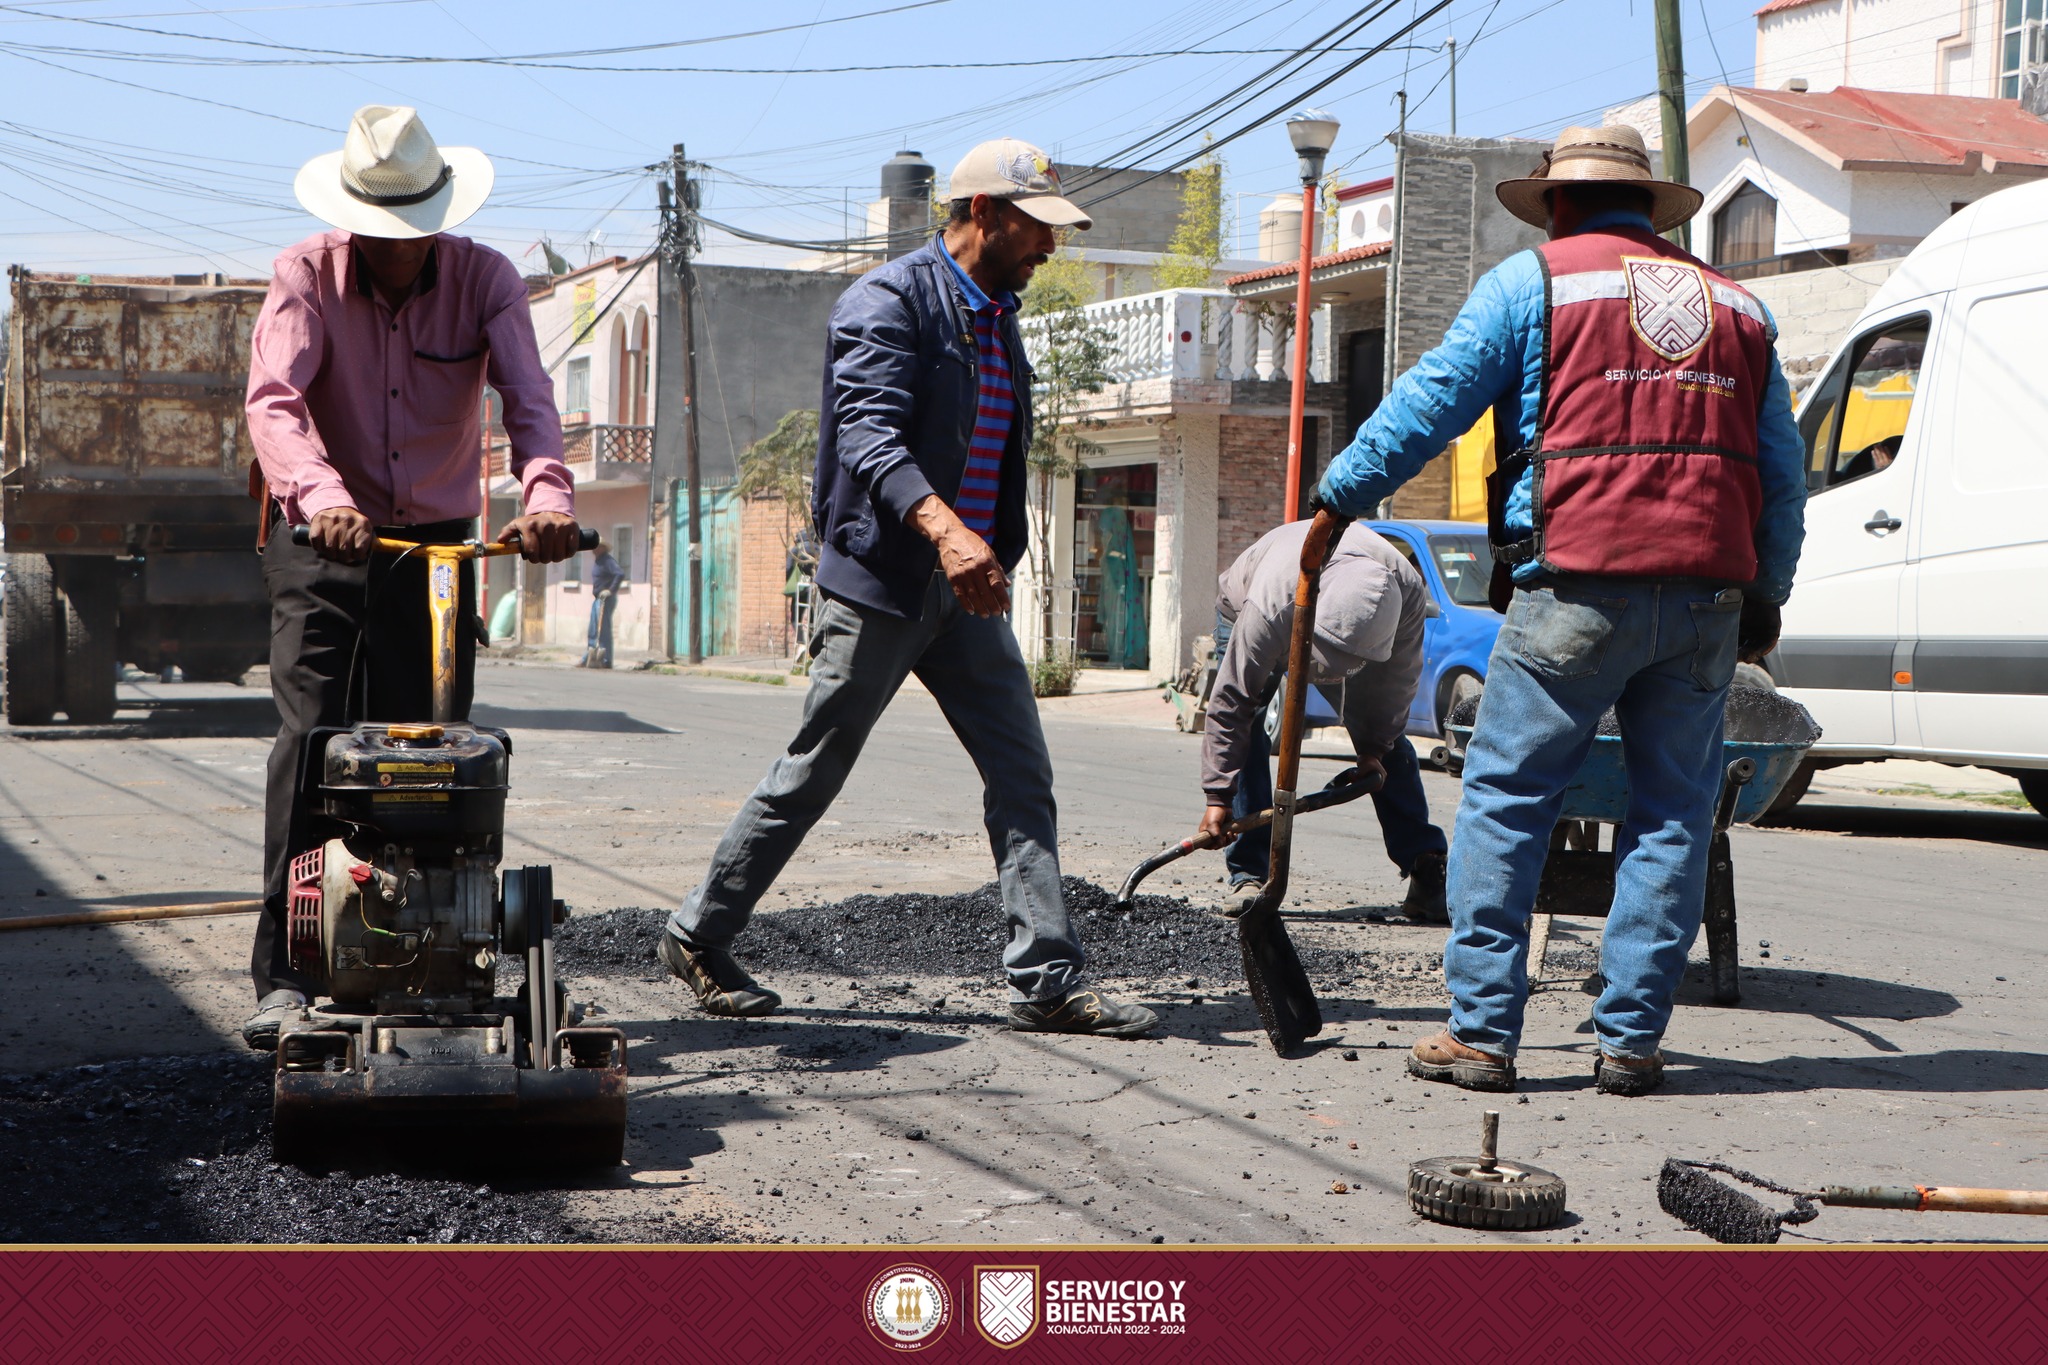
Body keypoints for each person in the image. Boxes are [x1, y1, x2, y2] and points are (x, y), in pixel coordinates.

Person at [1312, 125, 1806, 1097]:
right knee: (1671, 820)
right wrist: (1766, 596)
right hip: (1704, 597)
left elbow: (1431, 402)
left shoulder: (1534, 284)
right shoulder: (1740, 310)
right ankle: (1628, 1043)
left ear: (1555, 205)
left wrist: (1337, 496)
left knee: (1506, 800)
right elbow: (1780, 478)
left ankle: (1483, 1035)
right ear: (1647, 209)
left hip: (1574, 590)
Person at [660, 139, 1157, 1038]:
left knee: (1021, 770)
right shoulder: (885, 301)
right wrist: (948, 533)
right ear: (983, 215)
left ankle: (1046, 975)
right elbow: (869, 437)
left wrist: (985, 549)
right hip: (886, 583)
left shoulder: (997, 315)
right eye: (1036, 229)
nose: (1049, 249)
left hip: (964, 595)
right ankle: (699, 933)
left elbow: (990, 447)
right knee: (816, 767)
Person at [240, 105, 582, 1049]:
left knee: (431, 746)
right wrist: (321, 495)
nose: (394, 247)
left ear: (439, 212)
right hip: (322, 525)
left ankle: (429, 951)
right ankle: (284, 974)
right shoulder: (305, 273)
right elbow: (274, 401)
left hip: (432, 535)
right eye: (376, 229)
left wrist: (546, 497)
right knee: (312, 737)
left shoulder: (487, 279)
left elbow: (531, 400)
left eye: (411, 229)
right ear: (352, 215)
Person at [1196, 520, 1447, 922]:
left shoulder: (1407, 596)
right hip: (1253, 603)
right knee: (1251, 727)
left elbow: (1395, 688)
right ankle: (1249, 874)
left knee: (1390, 742)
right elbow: (1232, 703)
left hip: (1330, 620)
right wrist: (1217, 796)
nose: (1332, 677)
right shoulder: (1270, 605)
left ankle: (1424, 864)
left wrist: (1373, 751)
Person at [581, 540, 625, 668]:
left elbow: (620, 574)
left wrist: (610, 590)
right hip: (598, 598)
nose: (592, 549)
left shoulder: (607, 561)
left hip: (605, 599)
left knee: (602, 630)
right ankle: (588, 657)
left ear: (601, 548)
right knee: (594, 629)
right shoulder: (599, 561)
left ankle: (606, 660)